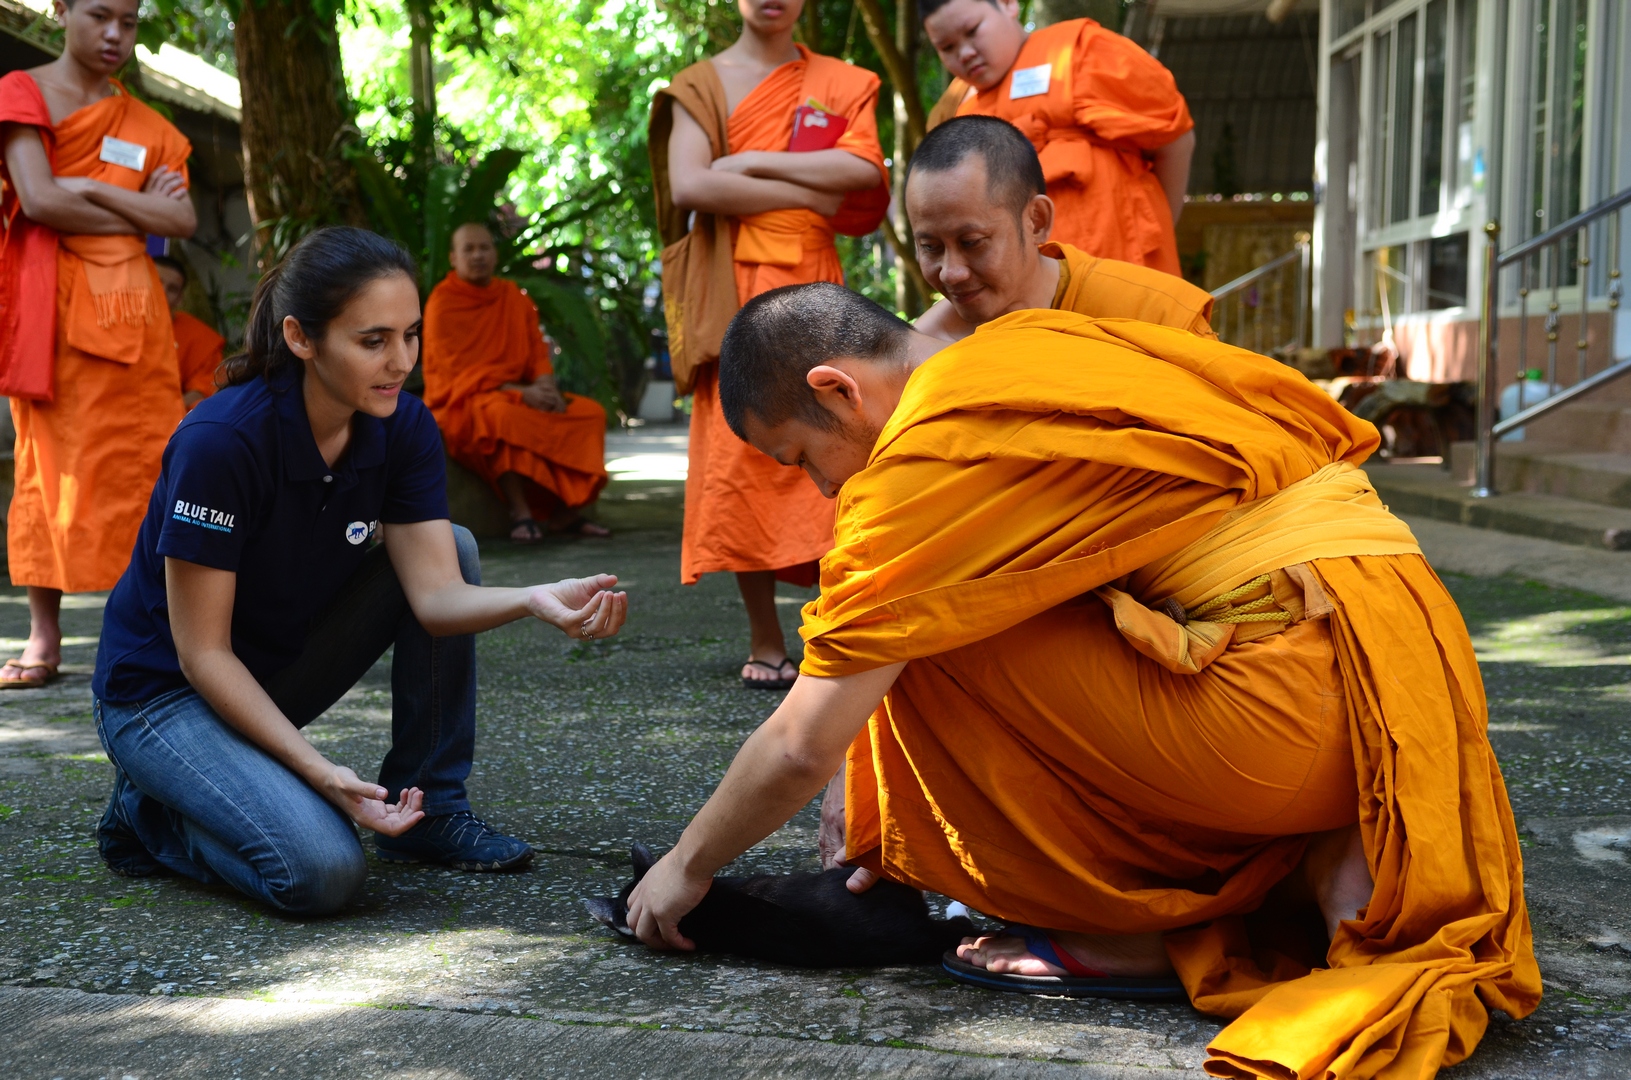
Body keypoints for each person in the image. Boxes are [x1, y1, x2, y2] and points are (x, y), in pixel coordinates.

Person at [625, 282, 1540, 1080]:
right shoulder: (1036, 340)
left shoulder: (915, 466)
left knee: (921, 622)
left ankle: (1116, 923)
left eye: (800, 461)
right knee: (919, 607)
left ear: (836, 390)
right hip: (1395, 670)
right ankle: (1278, 860)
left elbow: (799, 739)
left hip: (1285, 722)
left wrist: (685, 867)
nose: (821, 492)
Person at [91, 227, 630, 913]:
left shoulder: (400, 426)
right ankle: (150, 814)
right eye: (372, 340)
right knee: (321, 874)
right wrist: (321, 775)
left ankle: (428, 810)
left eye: (410, 335)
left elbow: (435, 598)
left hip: (270, 671)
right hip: (162, 695)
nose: (400, 361)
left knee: (456, 549)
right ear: (301, 338)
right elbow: (201, 656)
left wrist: (533, 598)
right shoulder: (220, 444)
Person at [648, 0, 889, 688]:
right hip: (732, 286)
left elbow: (862, 175)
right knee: (741, 457)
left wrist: (748, 164)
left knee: (840, 439)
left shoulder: (842, 81)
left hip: (815, 287)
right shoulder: (700, 86)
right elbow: (692, 184)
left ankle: (835, 623)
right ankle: (764, 637)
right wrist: (803, 185)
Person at [0, 0, 194, 689]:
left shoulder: (145, 125)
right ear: (61, 10)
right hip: (52, 313)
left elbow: (181, 218)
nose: (115, 35)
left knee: (150, 466)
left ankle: (169, 627)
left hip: (136, 316)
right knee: (47, 470)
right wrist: (128, 205)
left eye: (130, 22)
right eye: (99, 16)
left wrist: (80, 187)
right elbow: (38, 200)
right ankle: (44, 636)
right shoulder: (21, 94)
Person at [921, 0, 1194, 276]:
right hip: (1023, 291)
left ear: (1008, 4)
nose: (965, 53)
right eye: (947, 47)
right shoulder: (956, 110)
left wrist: (1161, 226)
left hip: (1125, 266)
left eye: (972, 30)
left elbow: (1174, 141)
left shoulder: (1082, 50)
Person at [908, 116, 1215, 342]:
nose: (951, 273)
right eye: (930, 247)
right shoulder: (925, 353)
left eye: (972, 242)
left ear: (1036, 221)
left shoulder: (1156, 317)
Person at [422, 223, 610, 542]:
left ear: (495, 255)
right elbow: (455, 372)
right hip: (466, 400)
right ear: (453, 258)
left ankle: (566, 514)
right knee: (500, 416)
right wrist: (523, 393)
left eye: (485, 247)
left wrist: (546, 389)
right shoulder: (443, 303)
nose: (478, 255)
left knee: (590, 413)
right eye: (469, 249)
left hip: (523, 392)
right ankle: (521, 513)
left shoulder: (513, 297)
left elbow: (537, 351)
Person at [154, 254, 224, 410]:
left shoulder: (198, 336)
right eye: (157, 281)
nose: (162, 291)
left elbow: (203, 390)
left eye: (172, 289)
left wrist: (163, 411)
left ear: (180, 299)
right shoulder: (112, 320)